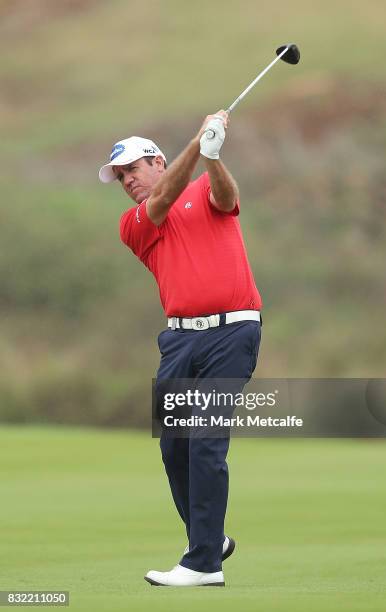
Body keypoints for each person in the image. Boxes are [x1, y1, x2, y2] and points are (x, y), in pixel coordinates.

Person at [98, 110, 262, 587]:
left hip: (232, 332)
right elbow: (167, 193)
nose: (127, 181)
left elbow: (227, 197)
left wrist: (211, 155)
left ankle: (204, 564)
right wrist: (200, 141)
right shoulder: (134, 224)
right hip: (179, 341)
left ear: (156, 161)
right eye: (121, 177)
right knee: (175, 448)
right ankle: (209, 538)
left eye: (133, 169)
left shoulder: (201, 190)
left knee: (206, 443)